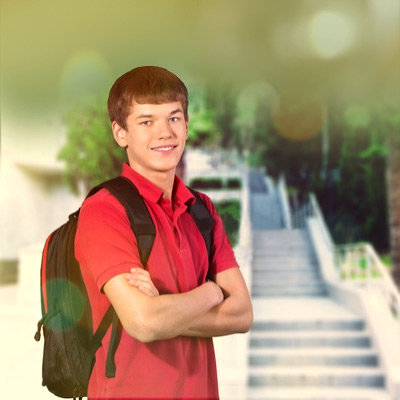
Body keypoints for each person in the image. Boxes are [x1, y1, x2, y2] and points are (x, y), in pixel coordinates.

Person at [75, 66, 253, 400]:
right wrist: (212, 293)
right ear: (120, 133)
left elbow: (242, 314)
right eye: (146, 121)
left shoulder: (202, 210)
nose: (164, 133)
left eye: (173, 118)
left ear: (186, 126)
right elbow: (144, 322)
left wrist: (163, 310)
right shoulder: (105, 210)